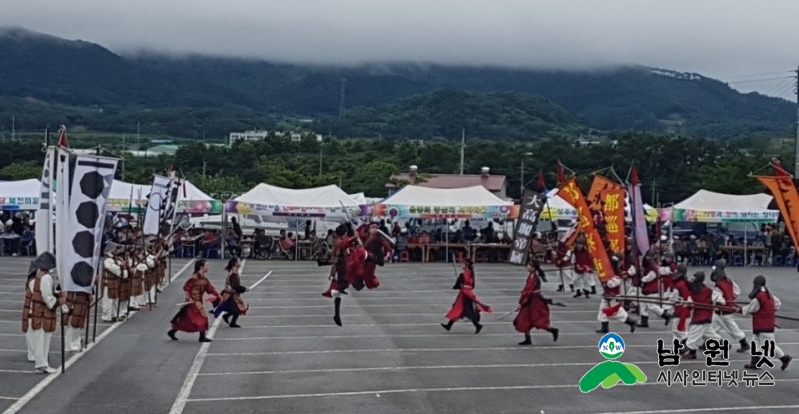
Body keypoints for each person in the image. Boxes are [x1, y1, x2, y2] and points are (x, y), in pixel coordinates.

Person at [738, 275, 792, 370]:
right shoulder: (769, 295)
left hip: (763, 326)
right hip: (763, 324)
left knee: (769, 347)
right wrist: (770, 310)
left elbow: (752, 308)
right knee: (755, 343)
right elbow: (778, 304)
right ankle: (754, 363)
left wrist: (741, 310)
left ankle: (785, 358)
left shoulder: (759, 297)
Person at [22, 252, 63, 373]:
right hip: (41, 313)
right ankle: (41, 363)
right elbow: (47, 297)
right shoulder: (45, 277)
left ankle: (41, 362)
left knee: (41, 339)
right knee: (42, 339)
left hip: (37, 312)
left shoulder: (38, 277)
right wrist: (59, 301)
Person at [168, 260, 220, 342]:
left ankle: (172, 331)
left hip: (198, 301)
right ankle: (202, 336)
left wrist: (218, 295)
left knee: (186, 319)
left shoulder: (204, 279)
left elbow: (210, 288)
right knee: (203, 316)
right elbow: (186, 288)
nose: (208, 267)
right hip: (193, 302)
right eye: (207, 265)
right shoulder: (194, 278)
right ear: (201, 267)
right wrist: (189, 298)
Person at [682, 271, 725, 360]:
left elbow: (721, 301)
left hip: (700, 318)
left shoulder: (707, 291)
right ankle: (724, 346)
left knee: (692, 336)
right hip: (704, 317)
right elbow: (689, 304)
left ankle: (691, 352)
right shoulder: (706, 290)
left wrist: (718, 305)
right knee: (711, 335)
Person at [514, 260, 559, 344]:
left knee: (537, 320)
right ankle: (528, 339)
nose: (527, 266)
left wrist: (522, 303)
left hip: (534, 301)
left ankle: (553, 330)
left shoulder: (534, 278)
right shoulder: (531, 276)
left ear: (533, 268)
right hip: (530, 299)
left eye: (529, 265)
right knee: (524, 319)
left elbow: (529, 292)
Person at [442, 259, 492, 333]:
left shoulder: (463, 274)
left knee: (464, 310)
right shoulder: (471, 273)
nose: (462, 266)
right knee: (460, 309)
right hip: (468, 292)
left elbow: (458, 285)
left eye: (463, 264)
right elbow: (472, 285)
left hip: (465, 294)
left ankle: (478, 325)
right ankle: (449, 325)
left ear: (466, 265)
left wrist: (458, 283)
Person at [710, 260, 749, 353]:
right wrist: (731, 298)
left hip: (724, 311)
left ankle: (744, 343)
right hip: (721, 310)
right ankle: (707, 342)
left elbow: (718, 299)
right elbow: (737, 291)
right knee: (712, 327)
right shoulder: (729, 280)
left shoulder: (719, 285)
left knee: (733, 329)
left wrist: (726, 300)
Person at [596, 254, 637, 334]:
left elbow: (612, 284)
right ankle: (604, 328)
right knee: (602, 310)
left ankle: (631, 322)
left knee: (617, 311)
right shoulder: (610, 270)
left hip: (613, 295)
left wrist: (605, 281)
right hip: (608, 294)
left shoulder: (617, 273)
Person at [637, 256, 672, 328]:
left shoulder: (653, 269)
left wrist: (641, 279)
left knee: (651, 305)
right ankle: (644, 321)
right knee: (643, 305)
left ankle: (665, 315)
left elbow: (648, 278)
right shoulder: (650, 268)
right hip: (646, 289)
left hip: (652, 290)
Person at [216, 257, 249, 328]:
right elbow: (235, 286)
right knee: (236, 309)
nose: (240, 262)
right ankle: (230, 320)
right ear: (235, 263)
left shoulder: (234, 272)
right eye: (239, 261)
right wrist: (244, 289)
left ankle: (229, 319)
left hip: (231, 293)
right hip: (230, 295)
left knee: (236, 308)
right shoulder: (233, 274)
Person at [101, 243, 125, 322]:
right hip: (108, 283)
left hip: (114, 282)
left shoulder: (115, 259)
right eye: (116, 249)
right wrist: (120, 267)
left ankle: (115, 314)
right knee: (108, 300)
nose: (117, 250)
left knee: (115, 299)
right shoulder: (108, 259)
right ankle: (107, 316)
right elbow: (112, 268)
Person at [669, 264, 691, 347]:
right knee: (681, 330)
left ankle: (687, 343)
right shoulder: (686, 283)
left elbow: (673, 298)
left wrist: (669, 298)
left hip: (680, 310)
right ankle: (677, 348)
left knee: (677, 330)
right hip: (686, 309)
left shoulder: (678, 285)